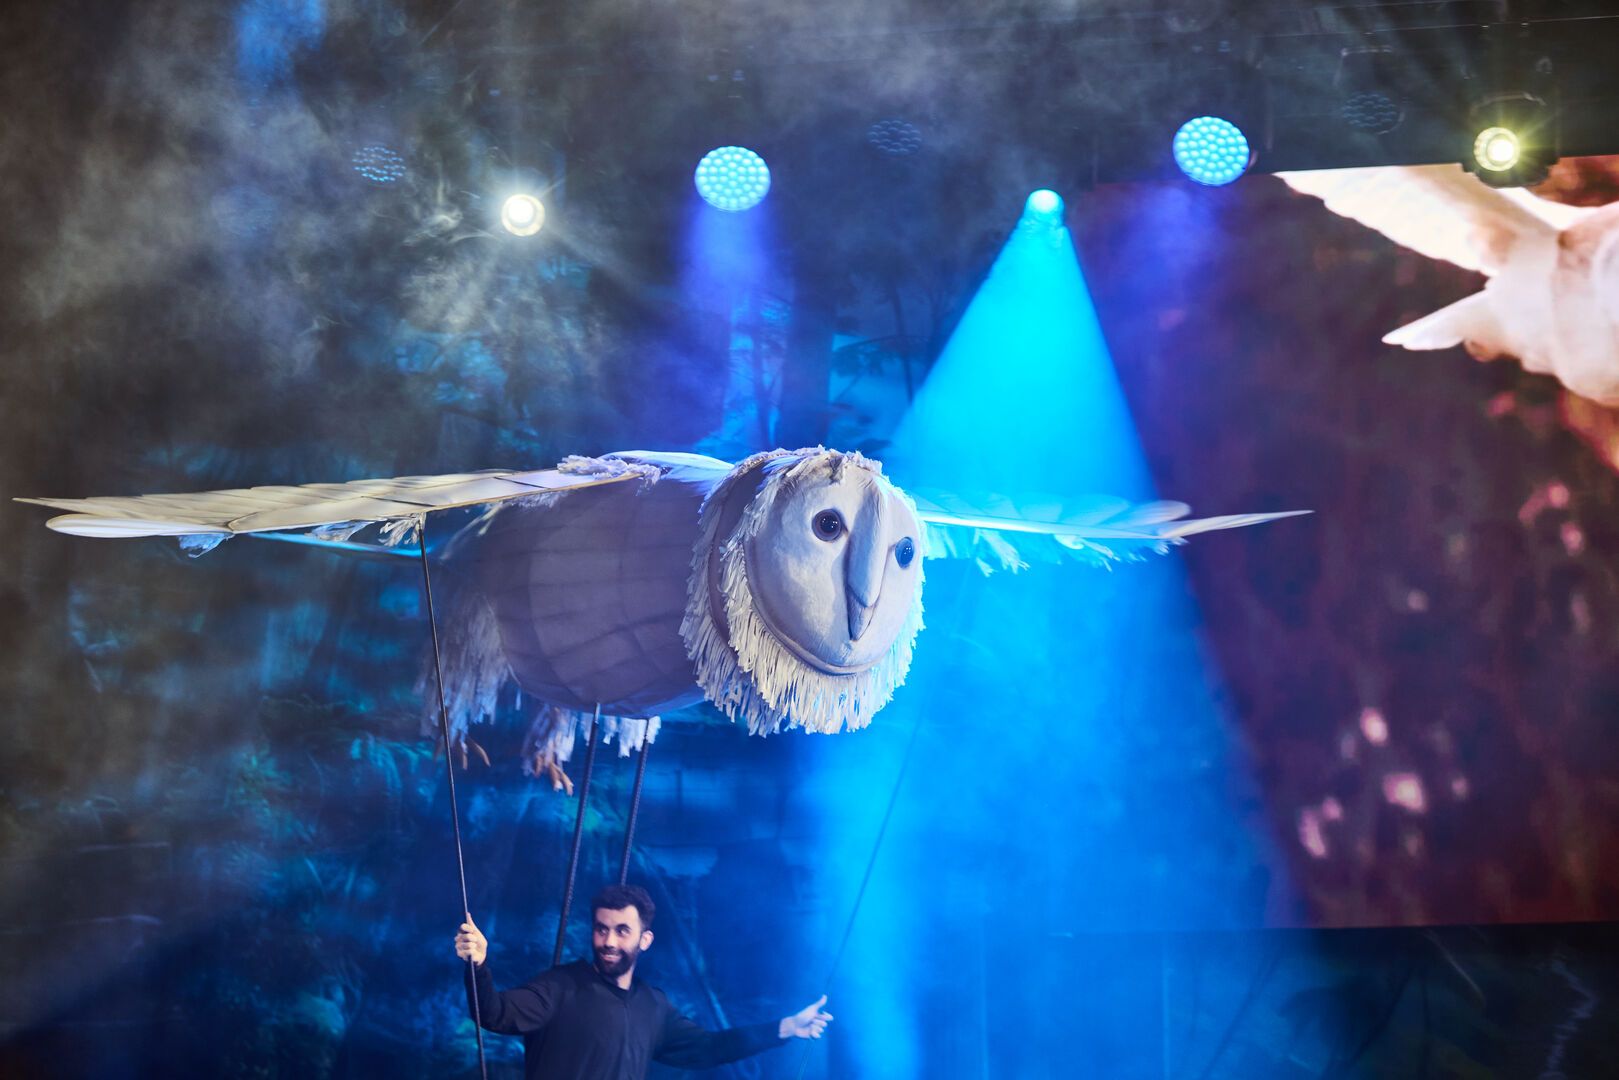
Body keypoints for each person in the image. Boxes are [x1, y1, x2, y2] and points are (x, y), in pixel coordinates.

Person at [453, 883, 832, 1079]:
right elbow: (495, 1013)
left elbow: (708, 1049)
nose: (609, 941)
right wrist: (480, 965)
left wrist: (783, 1028)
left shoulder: (653, 1006)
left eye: (621, 931)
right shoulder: (560, 987)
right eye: (602, 930)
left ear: (644, 940)